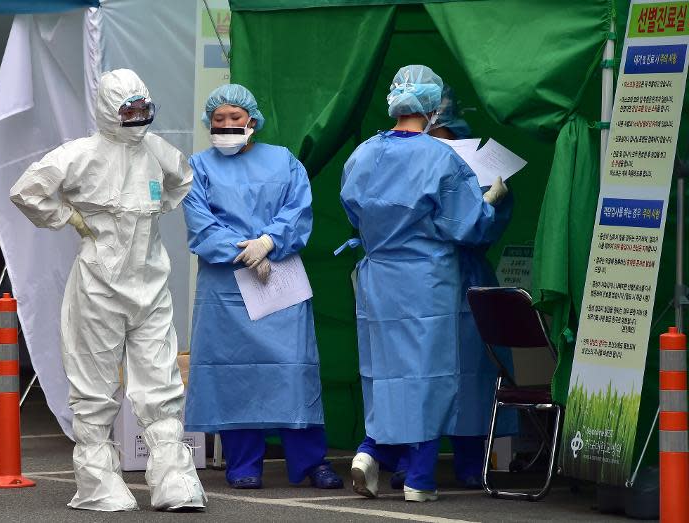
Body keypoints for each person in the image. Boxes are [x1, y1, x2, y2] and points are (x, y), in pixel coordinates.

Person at [10, 69, 206, 512]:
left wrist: (154, 209)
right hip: (98, 284)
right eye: (128, 110)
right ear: (107, 110)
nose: (137, 118)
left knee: (161, 381)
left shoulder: (157, 150)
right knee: (94, 384)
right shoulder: (80, 155)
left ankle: (174, 478)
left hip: (150, 282)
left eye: (143, 109)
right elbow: (27, 191)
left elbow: (182, 180)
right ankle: (98, 480)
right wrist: (72, 218)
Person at [338, 65, 509, 502]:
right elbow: (468, 227)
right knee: (432, 376)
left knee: (385, 374)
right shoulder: (441, 158)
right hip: (427, 280)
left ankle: (370, 450)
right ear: (433, 108)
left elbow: (357, 215)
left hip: (379, 280)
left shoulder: (361, 156)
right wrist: (490, 201)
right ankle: (420, 479)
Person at [182, 84, 343, 491]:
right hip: (226, 287)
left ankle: (311, 461)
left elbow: (298, 208)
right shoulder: (199, 166)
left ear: (252, 120)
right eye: (219, 120)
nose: (227, 125)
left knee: (293, 370)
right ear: (209, 123)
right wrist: (245, 251)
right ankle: (243, 463)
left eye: (235, 118)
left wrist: (269, 242)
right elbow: (200, 221)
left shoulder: (283, 161)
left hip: (279, 281)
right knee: (235, 374)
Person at [387, 85, 515, 491]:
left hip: (469, 280)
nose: (437, 144)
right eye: (432, 133)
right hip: (419, 280)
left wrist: (489, 205)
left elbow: (483, 229)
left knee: (471, 372)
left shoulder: (475, 166)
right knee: (416, 371)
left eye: (445, 136)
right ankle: (411, 459)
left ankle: (471, 461)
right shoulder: (399, 160)